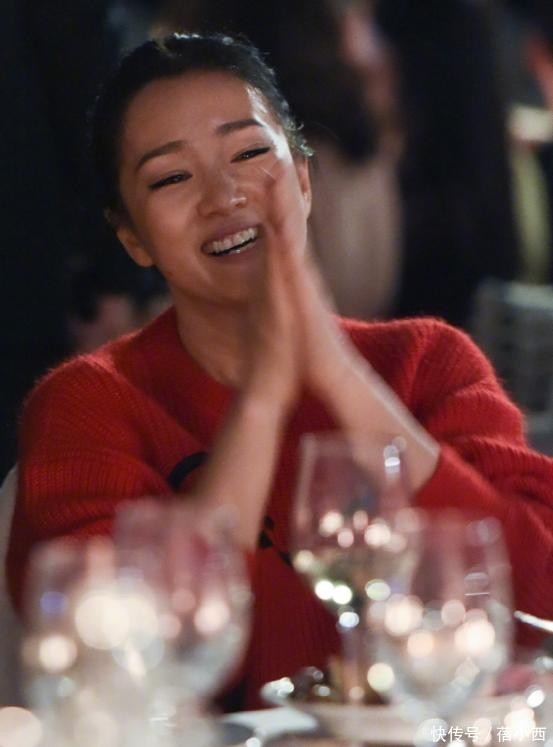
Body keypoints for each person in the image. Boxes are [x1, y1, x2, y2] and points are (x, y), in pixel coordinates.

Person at [6, 33, 553, 712]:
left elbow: (537, 599)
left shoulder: (426, 362)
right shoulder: (89, 403)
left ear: (302, 178)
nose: (223, 194)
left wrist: (339, 375)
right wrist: (262, 402)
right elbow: (128, 671)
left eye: (248, 153)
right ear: (132, 238)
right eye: (171, 178)